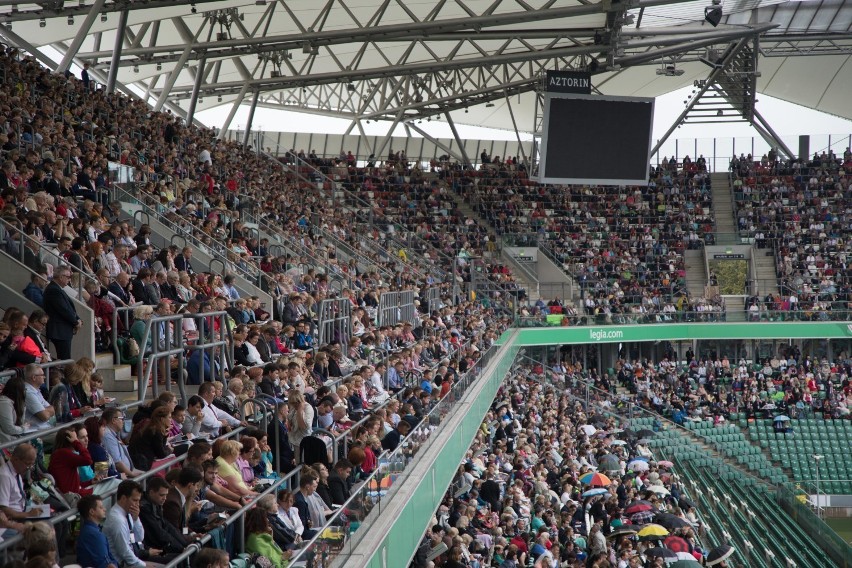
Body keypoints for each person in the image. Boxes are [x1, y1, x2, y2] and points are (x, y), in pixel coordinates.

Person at [103, 480, 162, 568]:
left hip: (132, 559)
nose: (138, 504)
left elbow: (139, 537)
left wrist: (136, 519)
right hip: (122, 564)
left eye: (139, 500)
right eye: (135, 500)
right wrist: (144, 565)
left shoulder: (128, 513)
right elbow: (124, 552)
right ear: (123, 498)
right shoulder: (117, 520)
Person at [43, 266, 82, 360]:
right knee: (65, 359)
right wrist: (76, 322)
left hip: (63, 331)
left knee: (66, 358)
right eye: (68, 277)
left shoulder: (57, 288)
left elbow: (68, 308)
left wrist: (78, 318)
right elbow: (63, 309)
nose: (69, 280)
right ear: (61, 277)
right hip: (59, 331)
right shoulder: (53, 290)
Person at [48, 424, 95, 497]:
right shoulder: (63, 453)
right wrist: (76, 443)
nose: (77, 440)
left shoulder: (61, 453)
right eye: (76, 438)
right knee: (114, 484)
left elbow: (75, 484)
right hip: (74, 496)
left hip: (76, 492)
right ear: (69, 440)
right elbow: (88, 460)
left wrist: (90, 482)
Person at [0, 443, 42, 521]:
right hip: (15, 518)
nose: (29, 468)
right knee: (53, 524)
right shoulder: (4, 476)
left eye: (31, 465)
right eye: (27, 464)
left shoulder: (17, 470)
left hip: (23, 510)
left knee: (60, 521)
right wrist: (28, 515)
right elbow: (4, 509)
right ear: (16, 459)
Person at [160, 467, 203, 538]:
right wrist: (193, 539)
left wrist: (192, 534)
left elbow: (183, 527)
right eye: (196, 486)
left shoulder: (179, 497)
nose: (196, 489)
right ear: (190, 485)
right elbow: (175, 532)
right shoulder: (172, 503)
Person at [77, 494, 119, 568]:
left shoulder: (91, 531)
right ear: (92, 512)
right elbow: (107, 565)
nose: (104, 509)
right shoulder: (94, 534)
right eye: (101, 507)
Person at [128, 406, 172, 471]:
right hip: (142, 462)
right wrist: (170, 450)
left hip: (139, 459)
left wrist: (165, 435)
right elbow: (161, 454)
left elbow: (160, 448)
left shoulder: (151, 426)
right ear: (162, 419)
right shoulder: (155, 431)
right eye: (169, 417)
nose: (171, 420)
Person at [102, 407, 142, 478]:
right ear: (114, 420)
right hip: (123, 477)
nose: (123, 421)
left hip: (127, 473)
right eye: (122, 419)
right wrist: (131, 474)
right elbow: (117, 462)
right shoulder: (107, 436)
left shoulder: (114, 433)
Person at [23, 364, 54, 430]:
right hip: (35, 432)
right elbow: (45, 416)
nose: (44, 377)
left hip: (45, 428)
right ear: (34, 377)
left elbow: (52, 410)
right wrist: (45, 410)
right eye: (42, 375)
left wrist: (44, 410)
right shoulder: (28, 392)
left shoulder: (36, 389)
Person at [0, 376, 28, 443]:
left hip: (15, 437)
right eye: (24, 389)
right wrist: (23, 428)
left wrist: (22, 405)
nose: (25, 392)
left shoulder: (17, 402)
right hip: (6, 442)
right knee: (36, 441)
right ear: (19, 391)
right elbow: (9, 429)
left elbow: (21, 422)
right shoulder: (4, 403)